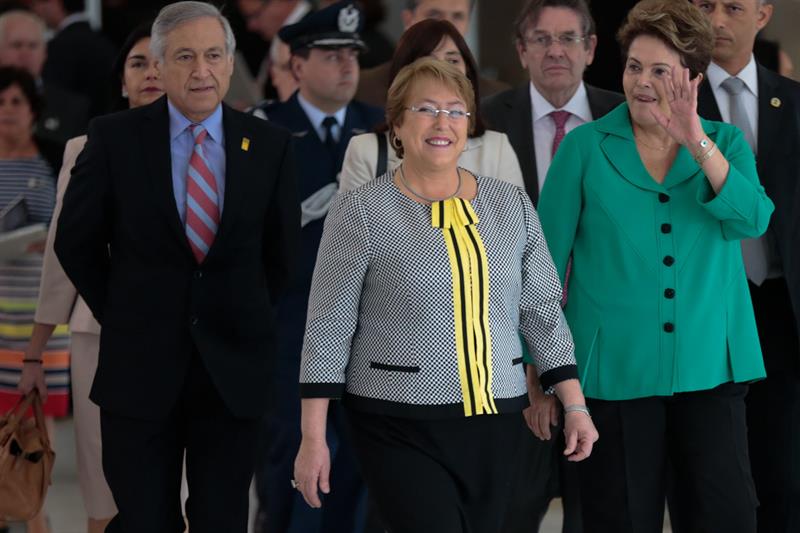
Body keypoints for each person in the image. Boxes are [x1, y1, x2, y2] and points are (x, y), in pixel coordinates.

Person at [294, 56, 598, 533]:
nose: (443, 123)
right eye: (426, 109)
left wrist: (574, 404)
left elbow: (541, 312)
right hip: (395, 420)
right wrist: (313, 437)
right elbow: (328, 325)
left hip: (498, 419)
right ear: (396, 124)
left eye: (456, 111)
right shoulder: (362, 209)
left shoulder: (510, 203)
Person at [53, 2, 299, 531]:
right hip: (138, 371)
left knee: (221, 518)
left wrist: (233, 314)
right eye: (184, 56)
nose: (201, 70)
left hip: (231, 375)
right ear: (158, 67)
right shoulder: (113, 138)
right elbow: (76, 241)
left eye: (213, 55)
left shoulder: (271, 147)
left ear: (232, 64)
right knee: (143, 519)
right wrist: (122, 309)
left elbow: (280, 258)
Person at [537, 1, 774, 531]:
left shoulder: (725, 143)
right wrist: (542, 378)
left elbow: (751, 219)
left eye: (659, 71)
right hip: (612, 377)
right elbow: (540, 272)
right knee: (617, 519)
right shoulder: (583, 148)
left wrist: (695, 139)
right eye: (634, 67)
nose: (641, 82)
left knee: (726, 518)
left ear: (691, 78)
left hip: (712, 370)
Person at [17, 23, 163, 533]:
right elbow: (62, 256)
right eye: (138, 63)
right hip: (100, 333)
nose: (151, 73)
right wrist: (34, 352)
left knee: (183, 490)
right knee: (104, 489)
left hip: (185, 335)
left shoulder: (215, 147)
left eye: (161, 61)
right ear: (122, 80)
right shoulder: (86, 146)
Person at [482, 2, 623, 531]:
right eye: (540, 40)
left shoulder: (623, 116)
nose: (555, 51)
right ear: (520, 51)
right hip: (506, 337)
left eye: (568, 38)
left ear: (591, 48)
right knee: (513, 503)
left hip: (603, 338)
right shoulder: (486, 121)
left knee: (601, 504)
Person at [251, 4, 383, 532]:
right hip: (292, 321)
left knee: (355, 457)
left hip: (369, 324)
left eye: (351, 55)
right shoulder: (267, 128)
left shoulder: (377, 128)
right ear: (297, 65)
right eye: (331, 55)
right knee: (291, 451)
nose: (347, 66)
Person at [690, 1, 800, 531]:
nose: (715, 21)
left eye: (732, 7)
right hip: (707, 307)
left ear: (762, 14)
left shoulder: (794, 102)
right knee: (711, 474)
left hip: (782, 308)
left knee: (785, 472)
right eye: (704, 6)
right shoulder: (675, 99)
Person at [340, 18, 523, 193]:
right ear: (403, 74)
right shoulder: (366, 151)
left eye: (452, 61)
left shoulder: (497, 148)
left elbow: (513, 220)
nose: (442, 70)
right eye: (428, 60)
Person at [0, 65, 60, 533]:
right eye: (0, 103)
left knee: (36, 426)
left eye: (16, 102)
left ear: (34, 110)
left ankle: (36, 517)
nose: (7, 112)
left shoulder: (53, 161)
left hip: (40, 315)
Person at [355, 0, 508, 107]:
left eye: (458, 16)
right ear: (408, 19)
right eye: (435, 14)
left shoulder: (498, 97)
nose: (447, 25)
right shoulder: (361, 88)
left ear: (468, 22)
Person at [0, 10, 89, 152]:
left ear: (44, 53)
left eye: (33, 45)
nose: (25, 53)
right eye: (17, 45)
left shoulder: (72, 108)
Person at [31, 0, 116, 118]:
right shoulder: (105, 41)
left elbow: (54, 96)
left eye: (40, 2)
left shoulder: (59, 46)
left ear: (56, 3)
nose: (36, 9)